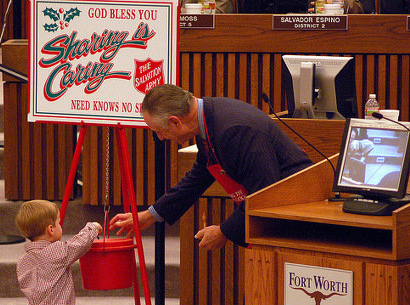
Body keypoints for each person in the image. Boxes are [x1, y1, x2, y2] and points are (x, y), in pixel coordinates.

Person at [110, 84, 313, 250]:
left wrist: (224, 231)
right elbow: (199, 176)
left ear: (175, 122)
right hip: (281, 214)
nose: (161, 138)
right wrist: (151, 214)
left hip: (298, 217)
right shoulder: (208, 118)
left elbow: (264, 192)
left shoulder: (233, 130)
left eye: (159, 131)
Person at [15, 199, 102, 305]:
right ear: (50, 230)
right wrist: (93, 227)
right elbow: (79, 244)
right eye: (58, 223)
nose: (60, 226)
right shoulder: (57, 252)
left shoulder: (22, 262)